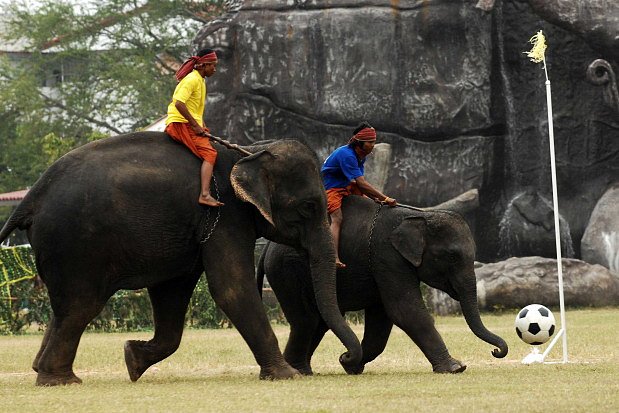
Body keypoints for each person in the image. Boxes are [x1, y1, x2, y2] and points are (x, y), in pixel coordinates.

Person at [321, 122, 397, 268]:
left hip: (344, 184)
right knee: (337, 218)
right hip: (330, 187)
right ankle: (333, 257)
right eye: (370, 142)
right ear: (360, 143)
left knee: (366, 198)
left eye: (374, 142)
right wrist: (385, 198)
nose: (373, 145)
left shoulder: (360, 155)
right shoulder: (347, 155)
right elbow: (362, 184)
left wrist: (375, 197)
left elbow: (359, 182)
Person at [165, 48, 223, 207]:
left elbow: (194, 108)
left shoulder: (200, 80)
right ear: (203, 65)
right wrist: (195, 125)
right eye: (213, 65)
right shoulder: (192, 79)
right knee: (211, 154)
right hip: (180, 123)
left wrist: (201, 126)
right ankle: (204, 194)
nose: (215, 69)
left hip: (188, 123)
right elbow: (178, 103)